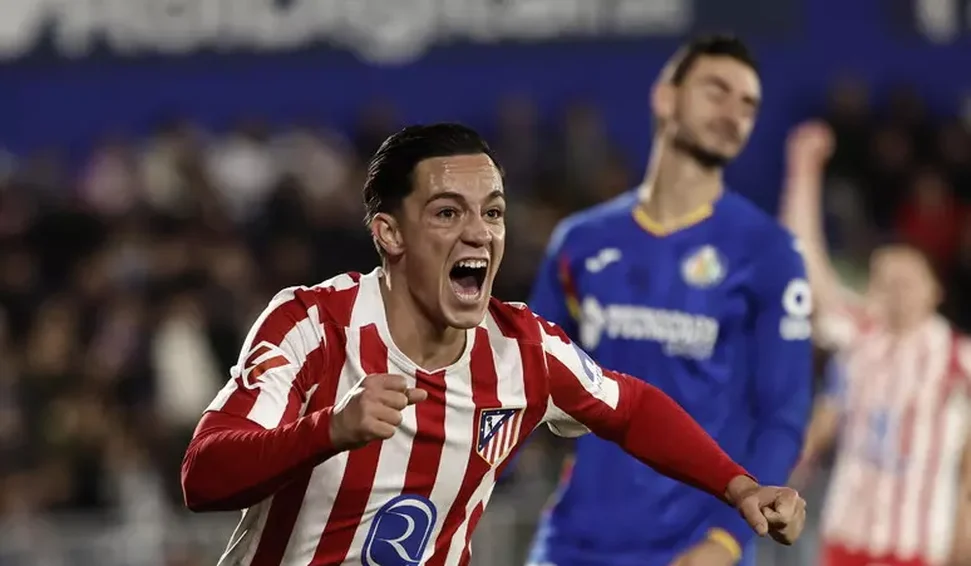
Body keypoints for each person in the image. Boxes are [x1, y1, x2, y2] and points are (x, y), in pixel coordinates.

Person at [180, 123, 807, 566]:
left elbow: (631, 408)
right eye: (448, 213)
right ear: (390, 234)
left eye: (494, 212)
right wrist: (330, 429)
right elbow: (202, 476)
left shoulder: (522, 350)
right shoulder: (314, 324)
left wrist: (740, 488)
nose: (479, 233)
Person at [525, 35, 813, 566]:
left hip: (695, 549)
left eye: (748, 105)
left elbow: (784, 414)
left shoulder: (769, 252)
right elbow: (523, 380)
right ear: (665, 97)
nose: (733, 114)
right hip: (572, 544)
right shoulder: (580, 242)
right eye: (716, 91)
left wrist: (725, 543)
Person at [781, 121, 971, 566]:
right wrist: (803, 171)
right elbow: (803, 263)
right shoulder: (861, 336)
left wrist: (966, 524)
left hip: (917, 544)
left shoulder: (958, 356)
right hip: (846, 534)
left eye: (907, 280)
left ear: (935, 290)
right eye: (885, 281)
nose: (896, 290)